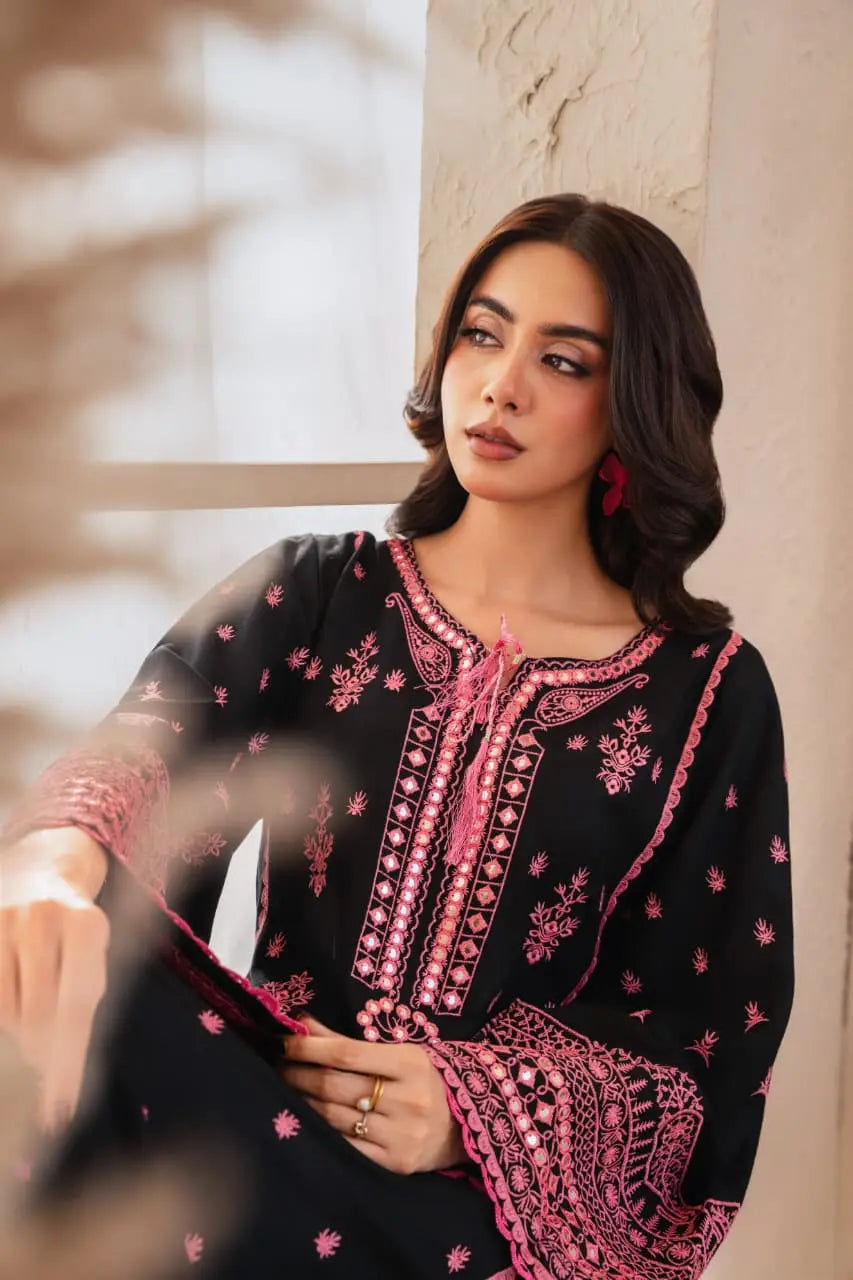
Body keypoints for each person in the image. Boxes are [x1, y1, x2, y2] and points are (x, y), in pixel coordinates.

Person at [0, 194, 793, 1279]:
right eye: (482, 331)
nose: (499, 383)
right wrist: (48, 864)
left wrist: (474, 1108)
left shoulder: (705, 689)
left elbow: (704, 1038)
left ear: (633, 402)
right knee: (57, 947)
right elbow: (152, 739)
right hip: (249, 1125)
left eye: (563, 362)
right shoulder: (320, 591)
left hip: (460, 1226)